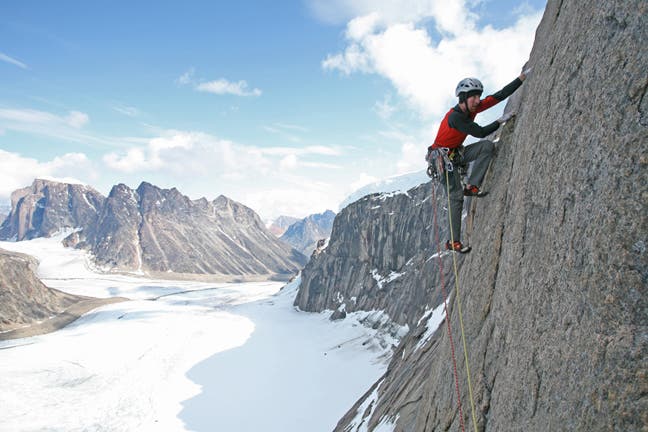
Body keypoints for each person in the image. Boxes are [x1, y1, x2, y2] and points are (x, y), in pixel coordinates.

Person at [429, 71, 528, 253]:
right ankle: (453, 242)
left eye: (478, 96)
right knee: (455, 197)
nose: (477, 100)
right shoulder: (456, 117)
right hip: (443, 161)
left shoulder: (471, 108)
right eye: (473, 97)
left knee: (486, 148)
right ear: (464, 98)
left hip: (455, 154)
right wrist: (500, 121)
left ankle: (472, 187)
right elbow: (480, 132)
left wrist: (521, 79)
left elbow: (497, 97)